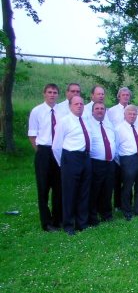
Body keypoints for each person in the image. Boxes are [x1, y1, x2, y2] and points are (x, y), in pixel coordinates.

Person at [52, 95, 92, 235]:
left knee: (84, 191)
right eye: (76, 104)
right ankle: (68, 225)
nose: (79, 106)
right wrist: (64, 164)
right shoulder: (64, 122)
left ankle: (82, 223)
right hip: (71, 158)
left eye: (81, 104)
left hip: (85, 157)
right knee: (69, 193)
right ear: (70, 106)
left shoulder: (85, 120)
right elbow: (56, 146)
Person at [28, 83, 65, 231]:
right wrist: (40, 152)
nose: (52, 95)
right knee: (43, 188)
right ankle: (46, 222)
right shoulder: (37, 111)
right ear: (44, 93)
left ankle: (57, 219)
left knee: (58, 187)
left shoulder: (62, 111)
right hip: (43, 150)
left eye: (55, 92)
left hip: (58, 150)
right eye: (49, 92)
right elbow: (32, 135)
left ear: (58, 95)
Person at [115, 104, 138, 221]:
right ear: (124, 115)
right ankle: (127, 211)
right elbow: (115, 149)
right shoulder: (119, 129)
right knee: (127, 187)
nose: (132, 116)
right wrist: (123, 162)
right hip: (128, 159)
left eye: (134, 114)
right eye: (130, 114)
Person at [88, 101, 116, 226]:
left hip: (110, 162)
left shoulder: (108, 125)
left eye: (102, 108)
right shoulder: (89, 126)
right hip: (96, 162)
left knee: (108, 189)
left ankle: (106, 214)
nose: (100, 110)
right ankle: (92, 216)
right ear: (92, 111)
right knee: (95, 190)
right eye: (97, 108)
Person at [106, 87, 131, 210]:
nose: (125, 97)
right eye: (123, 95)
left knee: (128, 178)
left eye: (127, 95)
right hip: (116, 146)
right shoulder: (112, 111)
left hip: (128, 147)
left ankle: (128, 202)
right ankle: (117, 204)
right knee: (117, 179)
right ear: (119, 96)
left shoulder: (133, 109)